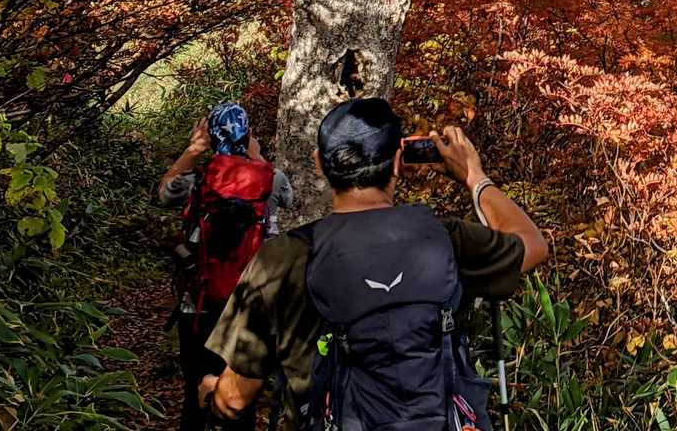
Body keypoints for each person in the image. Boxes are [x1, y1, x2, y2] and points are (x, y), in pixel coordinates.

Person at [197, 97, 548, 431]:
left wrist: (211, 394)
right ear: (397, 162)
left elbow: (235, 400)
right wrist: (474, 177)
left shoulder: (283, 258)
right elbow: (533, 245)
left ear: (319, 163)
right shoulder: (444, 238)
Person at [159, 101, 294, 431]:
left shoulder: (198, 181)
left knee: (195, 391)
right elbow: (288, 199)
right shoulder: (272, 179)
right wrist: (256, 156)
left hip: (199, 303)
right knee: (241, 398)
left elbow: (162, 194)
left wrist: (192, 151)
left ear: (210, 135)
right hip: (251, 306)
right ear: (247, 134)